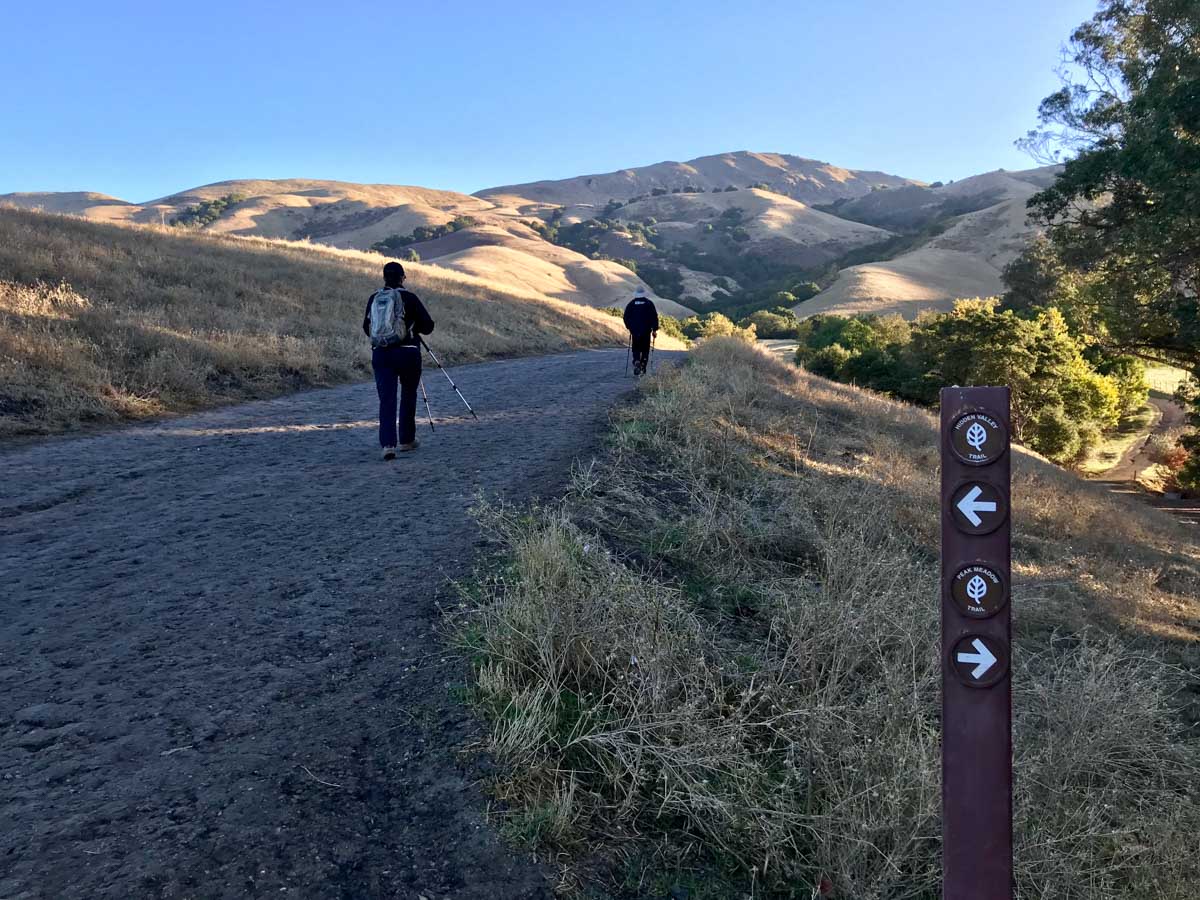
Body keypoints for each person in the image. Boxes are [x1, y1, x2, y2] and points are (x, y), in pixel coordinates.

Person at [363, 261, 434, 459]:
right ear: (403, 277)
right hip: (408, 353)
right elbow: (428, 326)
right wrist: (411, 328)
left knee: (386, 399)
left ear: (384, 277)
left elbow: (366, 327)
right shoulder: (410, 297)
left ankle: (388, 445)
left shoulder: (374, 299)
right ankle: (406, 440)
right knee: (408, 395)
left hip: (382, 354)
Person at [622, 286, 659, 376]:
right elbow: (654, 317)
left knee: (636, 348)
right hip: (646, 330)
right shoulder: (649, 303)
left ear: (636, 294)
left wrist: (629, 327)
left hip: (635, 331)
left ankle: (637, 361)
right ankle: (643, 365)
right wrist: (654, 330)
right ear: (644, 294)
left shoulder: (631, 304)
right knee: (645, 349)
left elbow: (626, 317)